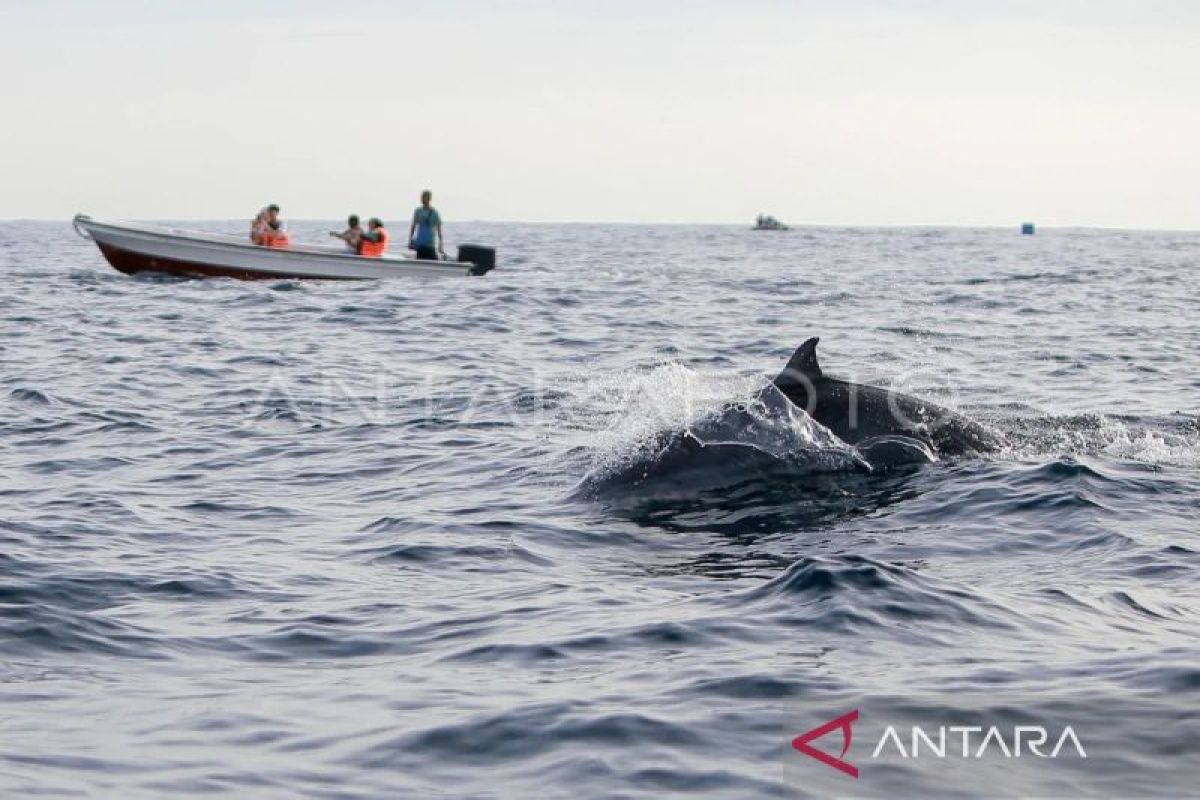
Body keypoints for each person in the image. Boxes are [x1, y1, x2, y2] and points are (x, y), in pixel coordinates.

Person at [408, 190, 445, 260]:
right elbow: (413, 227)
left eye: (424, 197)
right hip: (420, 245)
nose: (422, 199)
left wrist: (441, 244)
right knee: (419, 264)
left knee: (434, 262)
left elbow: (439, 230)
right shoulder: (418, 211)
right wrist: (410, 241)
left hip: (430, 245)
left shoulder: (434, 212)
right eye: (421, 197)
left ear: (429, 199)